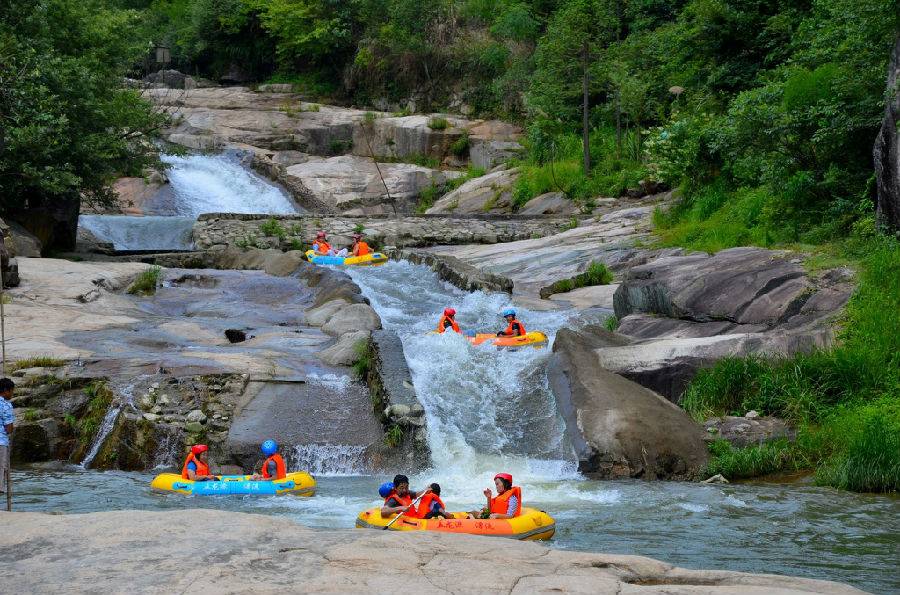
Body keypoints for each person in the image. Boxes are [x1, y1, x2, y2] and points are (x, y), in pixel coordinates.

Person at [0, 378, 14, 495]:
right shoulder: (6, 405)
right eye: (11, 391)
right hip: (1, 442)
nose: (12, 394)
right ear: (6, 390)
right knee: (1, 469)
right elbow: (9, 428)